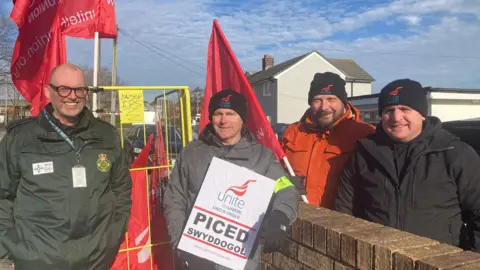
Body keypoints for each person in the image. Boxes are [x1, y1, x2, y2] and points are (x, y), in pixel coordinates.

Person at [0, 64, 132, 269]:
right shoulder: (20, 138)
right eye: (64, 89)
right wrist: (11, 249)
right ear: (48, 91)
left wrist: (111, 240)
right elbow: (3, 195)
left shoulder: (107, 136)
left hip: (95, 260)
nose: (73, 96)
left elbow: (122, 190)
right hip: (37, 260)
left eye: (79, 90)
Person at [335, 79, 480, 250]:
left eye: (405, 109)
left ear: (422, 113)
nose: (396, 117)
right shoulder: (365, 153)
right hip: (375, 257)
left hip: (436, 260)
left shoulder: (454, 152)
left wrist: (470, 259)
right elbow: (345, 208)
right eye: (389, 110)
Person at [163, 90, 300, 270]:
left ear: (242, 118)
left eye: (231, 114)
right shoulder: (191, 154)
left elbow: (286, 188)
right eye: (218, 114)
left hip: (243, 261)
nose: (223, 120)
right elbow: (174, 201)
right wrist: (181, 247)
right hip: (196, 259)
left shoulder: (262, 157)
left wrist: (281, 216)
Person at [281, 72, 375, 208]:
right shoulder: (293, 132)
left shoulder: (365, 134)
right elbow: (276, 171)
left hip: (338, 224)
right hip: (295, 217)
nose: (324, 107)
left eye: (331, 99)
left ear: (343, 102)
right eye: (317, 100)